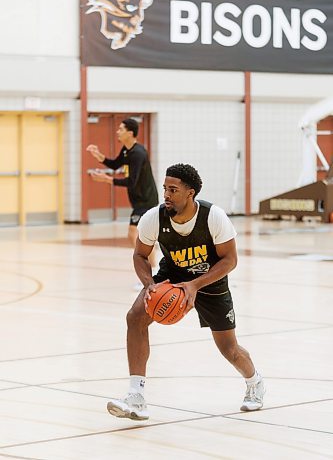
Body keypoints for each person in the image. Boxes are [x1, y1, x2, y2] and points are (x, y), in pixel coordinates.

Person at [106, 163, 265, 420]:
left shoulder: (213, 217)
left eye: (173, 190)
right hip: (173, 275)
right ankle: (136, 396)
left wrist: (195, 285)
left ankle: (255, 382)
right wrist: (149, 284)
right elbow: (140, 254)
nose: (166, 195)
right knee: (135, 317)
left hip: (210, 280)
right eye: (165, 189)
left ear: (190, 193)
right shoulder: (153, 218)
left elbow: (230, 260)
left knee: (229, 348)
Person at [86, 117, 158, 255]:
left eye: (121, 129)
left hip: (146, 200)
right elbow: (114, 164)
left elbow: (131, 181)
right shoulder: (127, 150)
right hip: (138, 200)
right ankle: (152, 267)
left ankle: (150, 267)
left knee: (133, 234)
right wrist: (98, 155)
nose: (117, 132)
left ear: (130, 133)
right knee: (141, 237)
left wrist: (107, 179)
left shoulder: (138, 153)